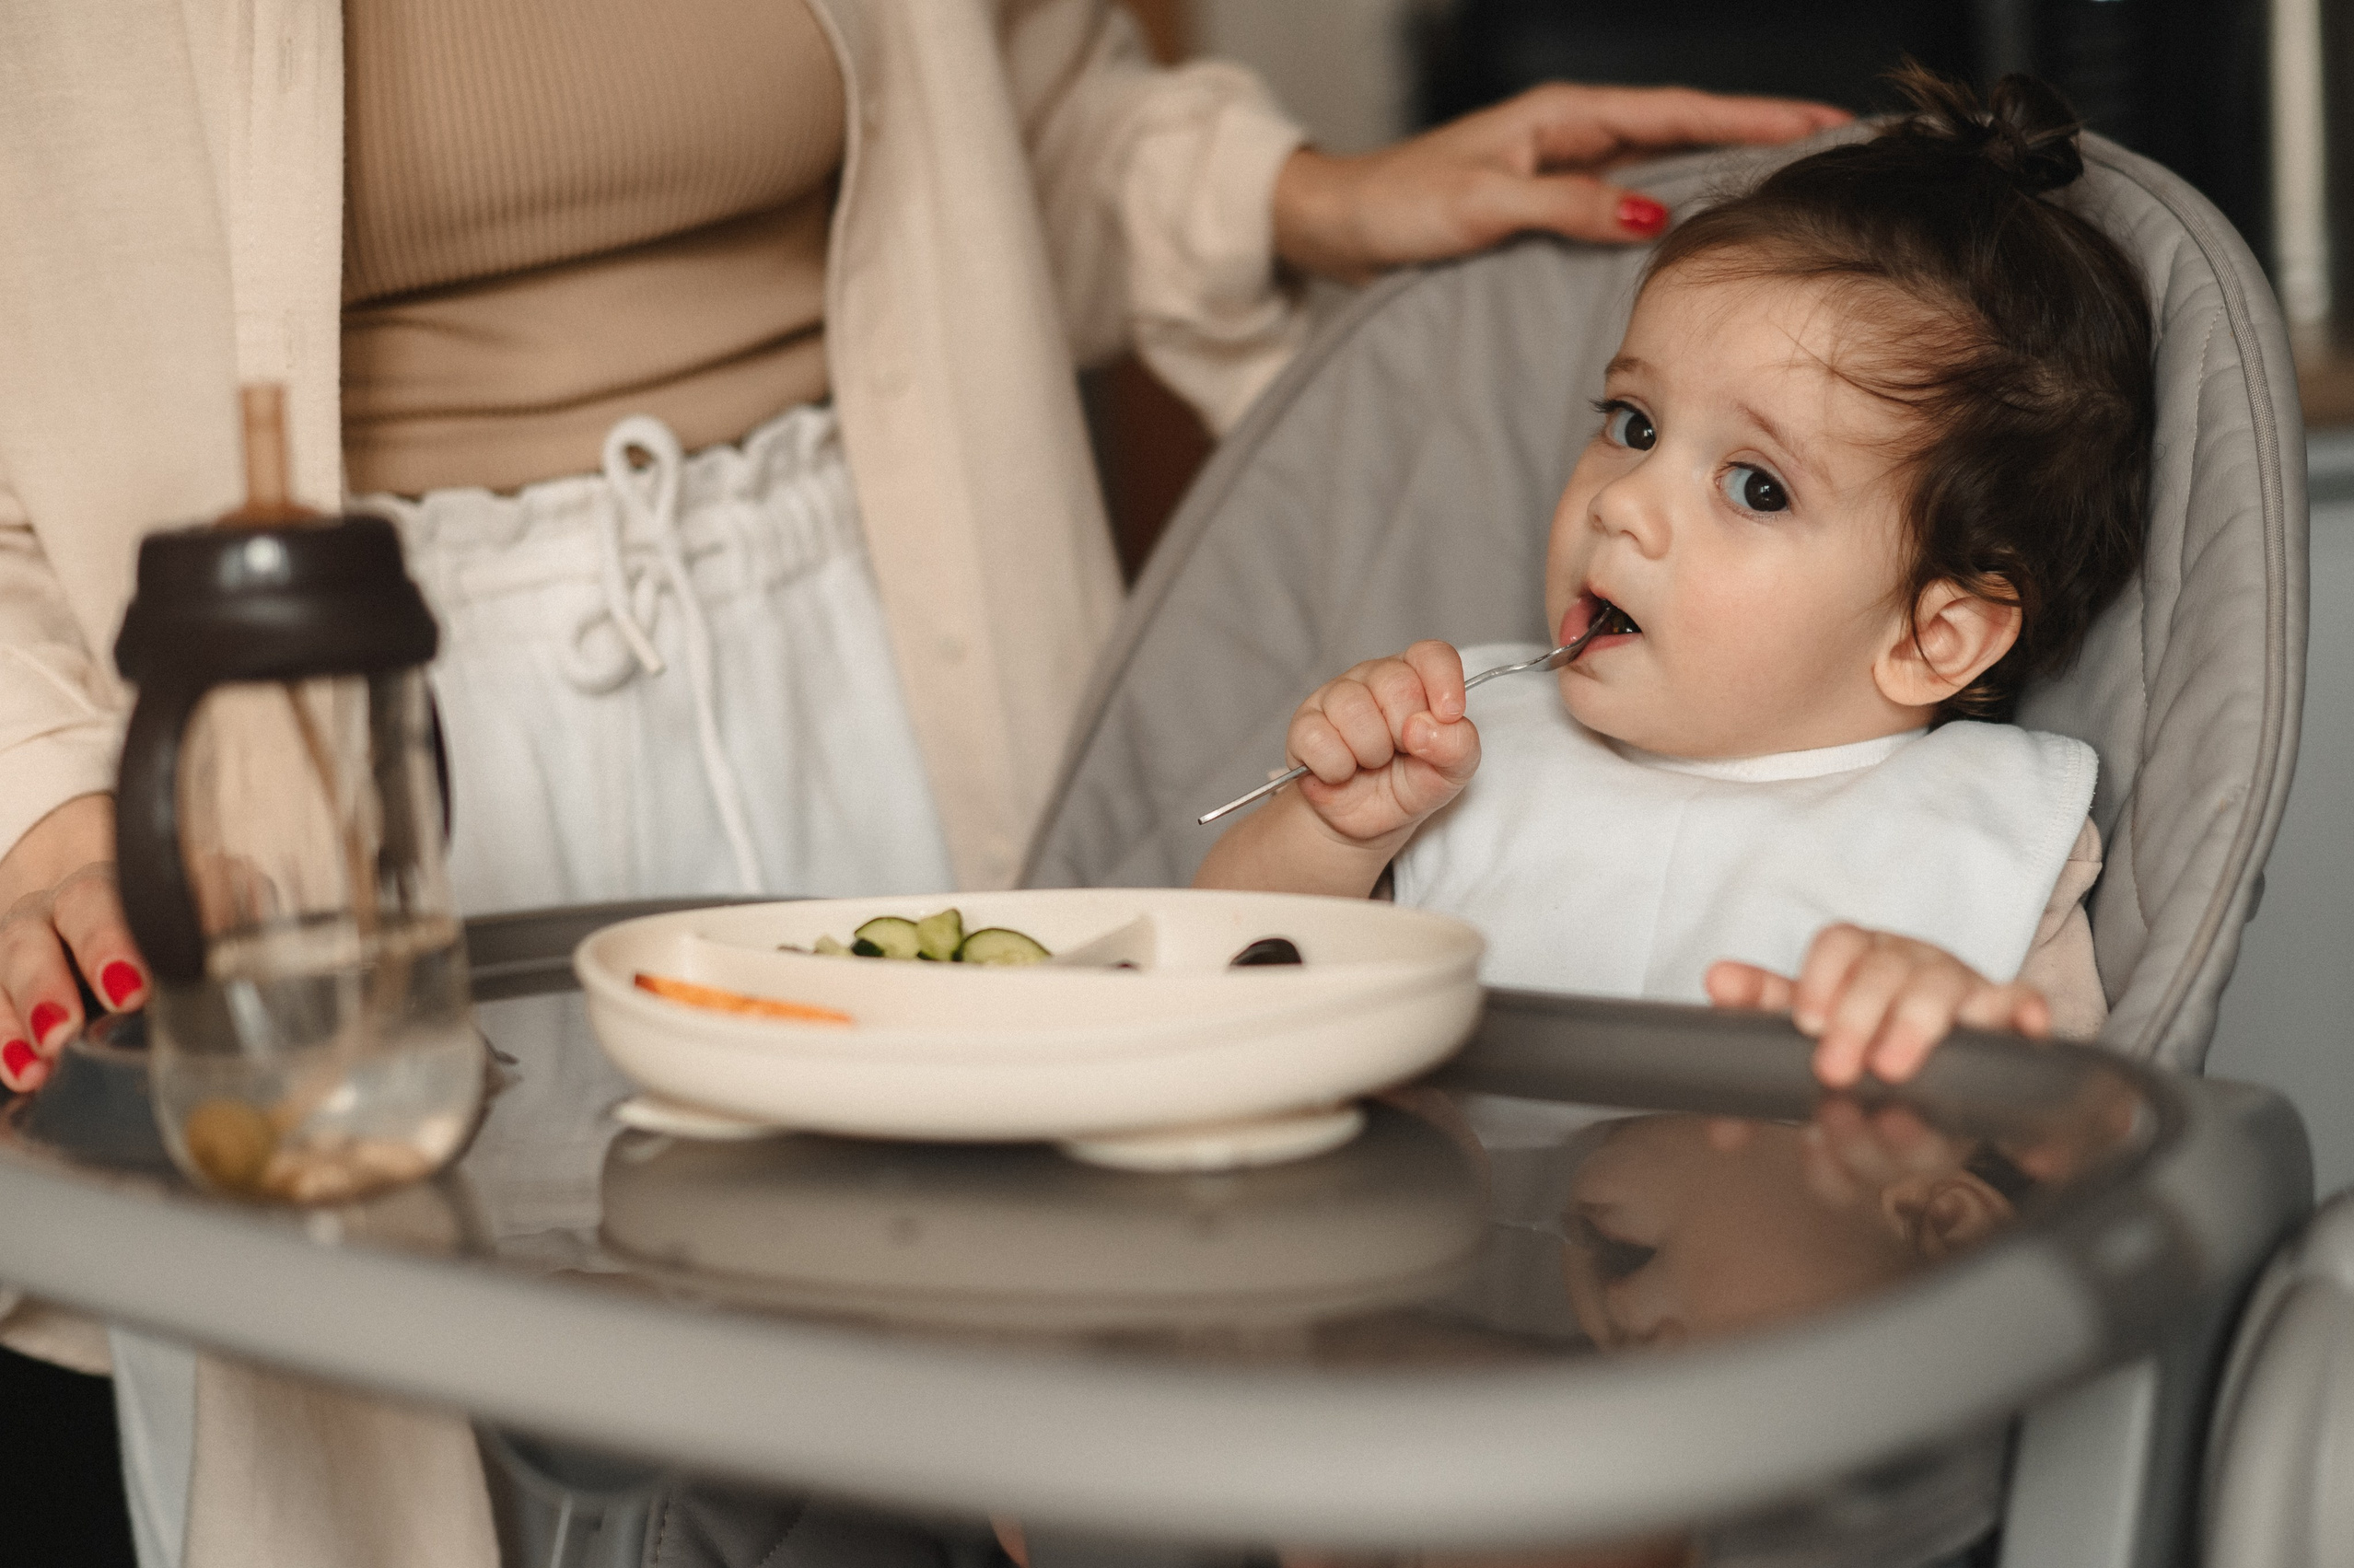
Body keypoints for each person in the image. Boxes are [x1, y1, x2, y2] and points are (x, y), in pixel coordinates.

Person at [0, 4, 1847, 1563]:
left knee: (1033, 1445)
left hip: (888, 667)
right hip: (321, 746)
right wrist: (43, 796)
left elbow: (1010, 120)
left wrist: (1304, 195)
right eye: (1621, 432)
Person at [1195, 66, 2155, 1088]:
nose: (1624, 502)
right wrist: (1329, 832)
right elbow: (1212, 981)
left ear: (1933, 636)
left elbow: (2075, 1169)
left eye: (1754, 487)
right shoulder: (1456, 761)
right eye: (1633, 427)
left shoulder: (1978, 844)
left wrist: (1955, 1044)